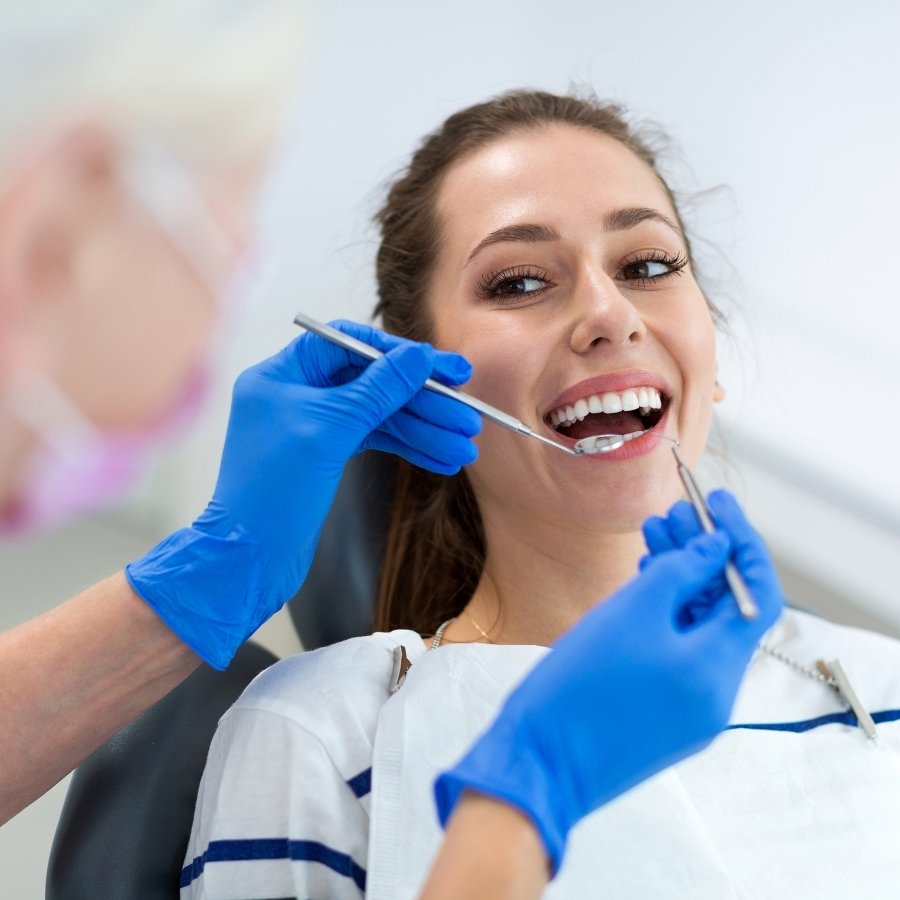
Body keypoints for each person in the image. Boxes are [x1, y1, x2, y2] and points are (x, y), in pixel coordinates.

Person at [180, 88, 900, 899]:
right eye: (520, 282)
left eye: (649, 265)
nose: (609, 311)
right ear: (421, 389)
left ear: (711, 352)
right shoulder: (320, 734)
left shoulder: (885, 689)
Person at [0, 1, 477, 826]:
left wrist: (217, 572)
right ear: (57, 231)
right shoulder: (303, 748)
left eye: (650, 263)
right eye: (236, 223)